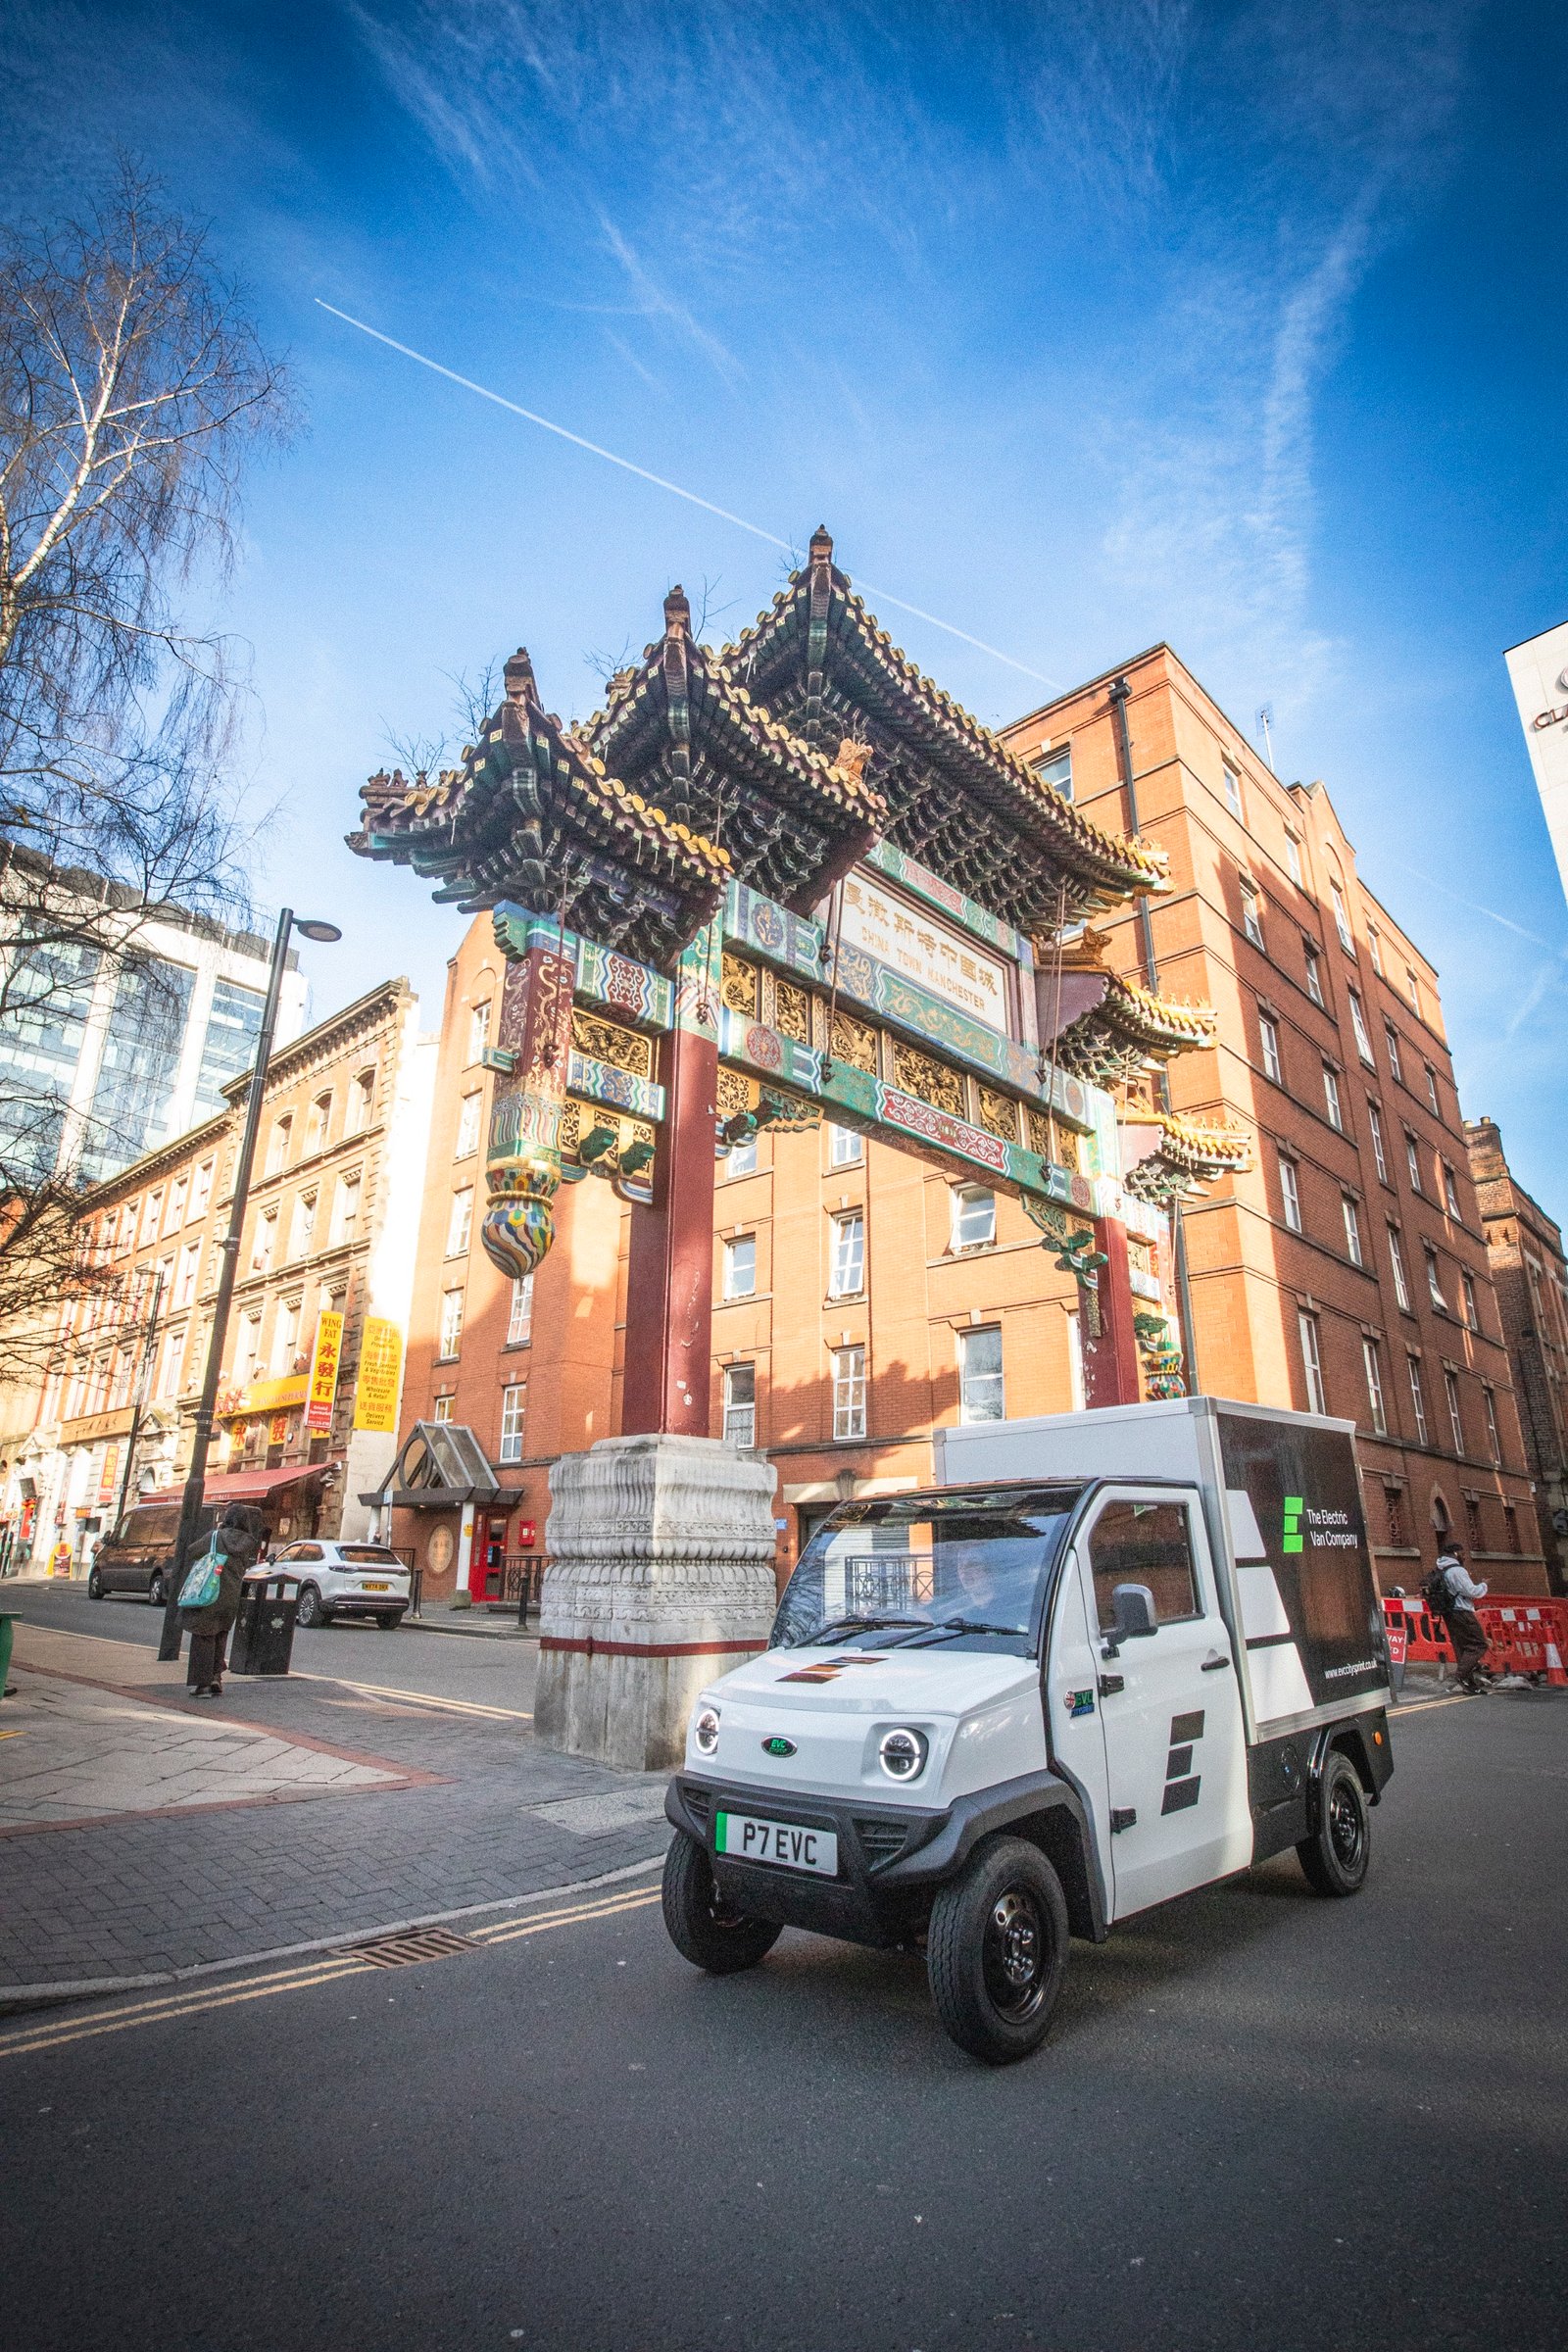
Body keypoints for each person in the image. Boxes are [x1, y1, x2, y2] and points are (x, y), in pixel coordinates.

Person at [181, 1505, 263, 1698]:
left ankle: (203, 1685)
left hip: (210, 1591)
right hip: (231, 1596)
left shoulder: (215, 1536)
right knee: (220, 1634)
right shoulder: (248, 1542)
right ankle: (215, 1677)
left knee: (204, 1635)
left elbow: (192, 1551)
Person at [1434, 1538, 1493, 1694]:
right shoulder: (1457, 1570)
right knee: (1479, 1644)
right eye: (1462, 1553)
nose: (1464, 1556)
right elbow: (1472, 1591)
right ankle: (1460, 1676)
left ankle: (1469, 1684)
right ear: (1455, 1553)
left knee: (1462, 1647)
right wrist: (1484, 1584)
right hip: (1462, 1612)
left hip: (1449, 1613)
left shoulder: (1441, 1568)